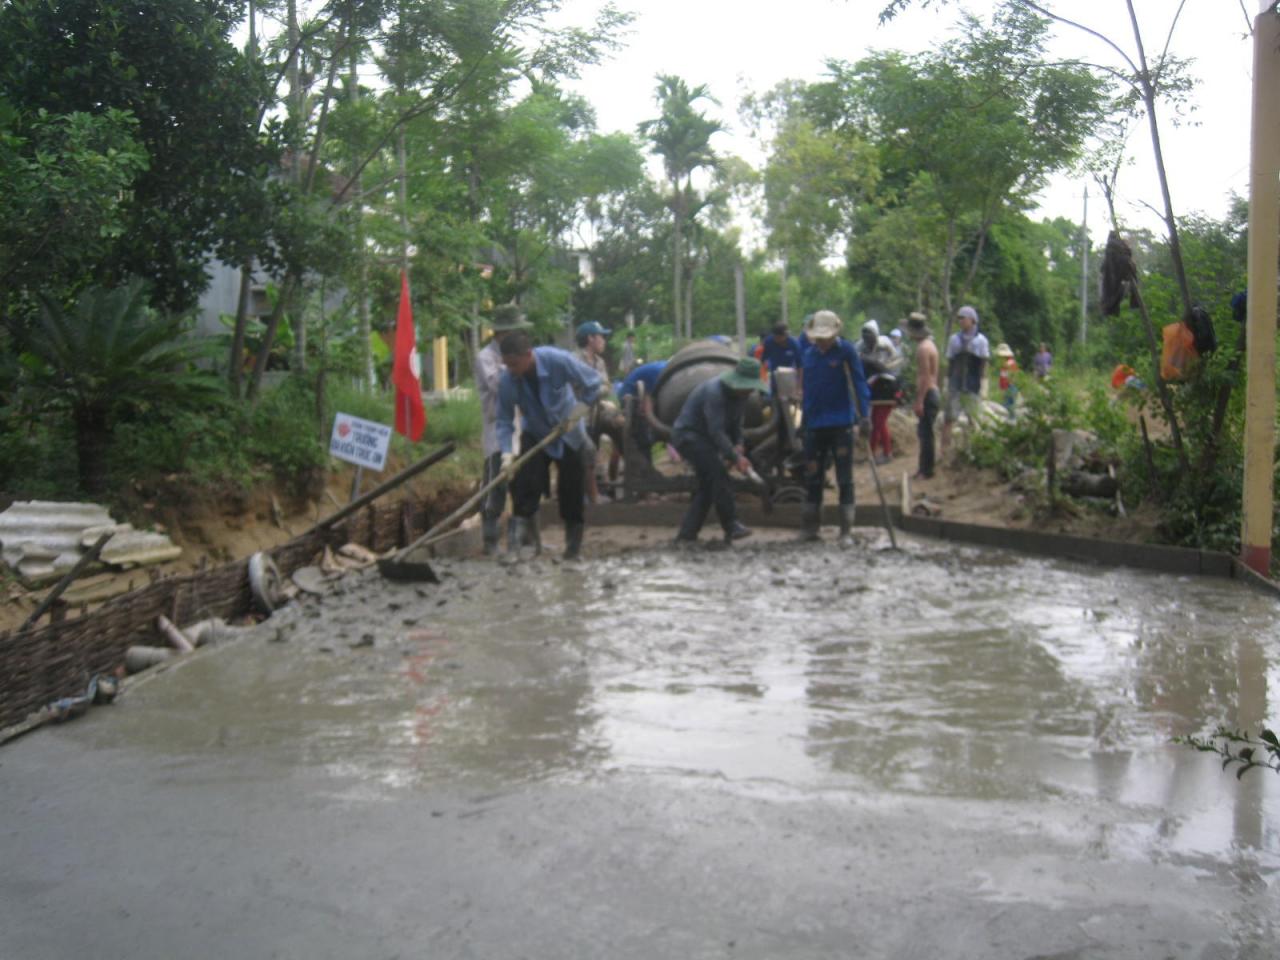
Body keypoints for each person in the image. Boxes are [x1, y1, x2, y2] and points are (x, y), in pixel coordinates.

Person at [497, 331, 602, 560]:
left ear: (528, 355)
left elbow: (595, 383)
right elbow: (504, 421)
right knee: (524, 486)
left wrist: (577, 414)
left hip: (569, 432)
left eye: (514, 364)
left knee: (571, 491)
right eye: (507, 365)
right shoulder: (508, 380)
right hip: (536, 433)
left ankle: (572, 550)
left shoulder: (558, 360)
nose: (511, 370)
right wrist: (506, 453)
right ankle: (516, 549)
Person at [671, 356, 768, 545]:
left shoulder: (741, 396)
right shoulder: (715, 393)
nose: (749, 391)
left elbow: (737, 427)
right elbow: (716, 431)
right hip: (689, 436)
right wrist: (735, 456)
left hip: (706, 439)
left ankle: (687, 534)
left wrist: (738, 446)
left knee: (708, 486)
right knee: (719, 475)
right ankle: (731, 525)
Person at [799, 310, 871, 542]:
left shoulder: (846, 351)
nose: (822, 340)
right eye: (819, 337)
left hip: (840, 424)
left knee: (844, 477)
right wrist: (804, 420)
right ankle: (812, 528)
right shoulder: (809, 355)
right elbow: (807, 391)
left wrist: (865, 416)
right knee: (813, 476)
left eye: (826, 336)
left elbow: (859, 383)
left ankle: (846, 530)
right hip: (814, 425)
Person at [473, 303, 532, 555]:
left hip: (520, 427)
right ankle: (491, 542)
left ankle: (521, 541)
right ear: (502, 333)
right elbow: (500, 385)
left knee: (524, 486)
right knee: (494, 488)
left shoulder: (520, 355)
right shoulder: (485, 357)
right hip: (497, 430)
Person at [941, 304, 990, 455]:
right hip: (955, 384)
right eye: (959, 318)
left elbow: (984, 363)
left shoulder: (981, 341)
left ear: (972, 320)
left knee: (972, 419)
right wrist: (946, 382)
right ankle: (944, 451)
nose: (960, 321)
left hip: (973, 384)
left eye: (963, 318)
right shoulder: (954, 340)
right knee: (949, 418)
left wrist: (984, 384)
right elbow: (950, 361)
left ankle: (971, 450)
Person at [575, 320, 612, 504]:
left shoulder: (600, 362)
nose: (604, 341)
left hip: (594, 413)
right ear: (590, 339)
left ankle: (596, 489)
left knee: (593, 450)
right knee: (581, 453)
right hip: (577, 414)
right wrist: (595, 389)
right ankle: (585, 495)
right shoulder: (575, 360)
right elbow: (577, 388)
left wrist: (594, 389)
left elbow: (605, 386)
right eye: (601, 336)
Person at [856, 319, 902, 465]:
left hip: (888, 386)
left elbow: (894, 362)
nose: (867, 340)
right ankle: (874, 452)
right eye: (865, 337)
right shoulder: (860, 347)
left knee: (878, 423)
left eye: (870, 337)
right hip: (875, 387)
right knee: (877, 422)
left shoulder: (884, 344)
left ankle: (885, 453)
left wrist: (877, 365)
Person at [906, 312, 939, 480]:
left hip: (929, 393)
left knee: (926, 434)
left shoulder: (923, 349)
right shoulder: (929, 345)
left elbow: (926, 377)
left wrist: (919, 401)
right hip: (931, 392)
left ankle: (926, 470)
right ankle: (924, 468)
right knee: (925, 433)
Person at [617, 359, 667, 465]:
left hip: (641, 395)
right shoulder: (661, 371)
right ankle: (645, 464)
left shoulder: (663, 367)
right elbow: (649, 399)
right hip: (630, 396)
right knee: (641, 433)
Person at [994, 342, 1018, 415]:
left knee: (1008, 406)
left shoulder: (1010, 363)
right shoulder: (1007, 363)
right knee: (1007, 406)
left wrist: (1005, 386)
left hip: (1009, 386)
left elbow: (1011, 376)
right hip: (1007, 387)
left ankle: (1011, 421)